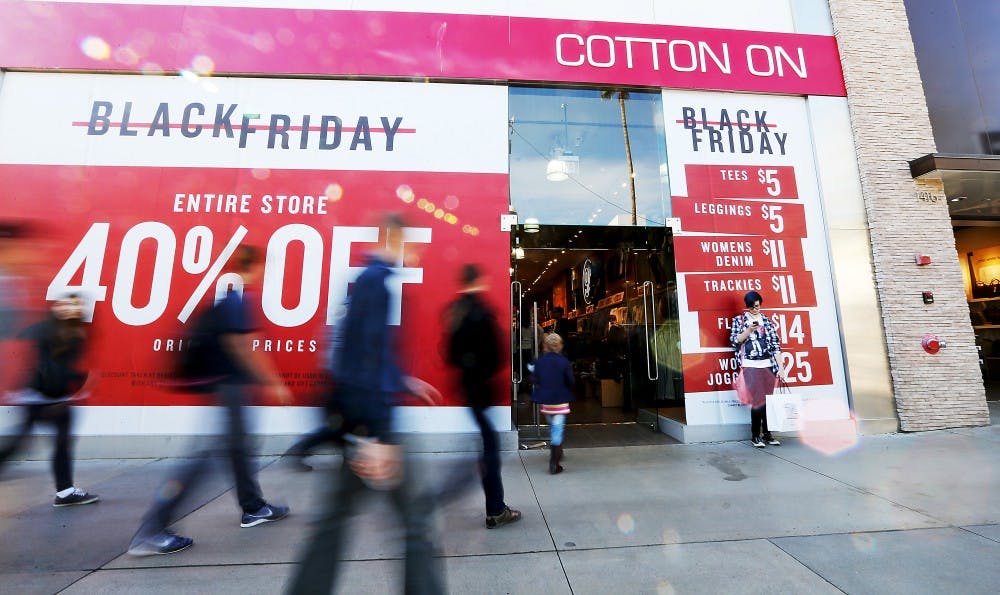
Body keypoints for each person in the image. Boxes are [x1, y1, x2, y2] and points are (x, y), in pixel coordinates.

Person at [287, 213, 442, 595]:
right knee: (415, 522)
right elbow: (365, 360)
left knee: (334, 521)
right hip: (373, 427)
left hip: (361, 424)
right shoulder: (378, 283)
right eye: (411, 243)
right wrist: (380, 437)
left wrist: (404, 382)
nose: (415, 252)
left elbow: (359, 353)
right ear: (393, 238)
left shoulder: (365, 281)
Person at [128, 245, 291, 556]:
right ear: (255, 266)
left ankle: (253, 507)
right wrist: (274, 383)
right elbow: (243, 347)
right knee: (204, 459)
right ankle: (152, 528)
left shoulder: (231, 300)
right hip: (231, 390)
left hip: (229, 389)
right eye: (263, 266)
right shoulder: (237, 301)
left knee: (238, 449)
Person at [0, 293, 99, 506]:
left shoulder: (78, 332)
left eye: (75, 306)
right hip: (41, 396)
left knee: (61, 445)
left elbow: (66, 366)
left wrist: (76, 385)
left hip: (57, 397)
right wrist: (75, 381)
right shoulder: (46, 330)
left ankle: (65, 492)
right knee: (20, 443)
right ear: (55, 308)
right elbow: (49, 367)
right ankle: (65, 492)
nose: (70, 309)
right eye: (65, 305)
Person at [445, 263, 521, 529]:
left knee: (488, 444)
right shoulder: (482, 312)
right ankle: (495, 509)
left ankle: (495, 507)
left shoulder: (455, 311)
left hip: (467, 388)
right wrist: (484, 373)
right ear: (480, 280)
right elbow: (498, 355)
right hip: (481, 388)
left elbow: (450, 354)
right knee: (490, 449)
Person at [730, 290, 782, 448]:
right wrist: (749, 330)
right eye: (752, 307)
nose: (755, 310)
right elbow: (735, 341)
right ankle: (755, 435)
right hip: (750, 365)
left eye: (757, 306)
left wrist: (781, 368)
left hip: (768, 365)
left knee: (768, 401)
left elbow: (775, 345)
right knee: (757, 401)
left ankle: (767, 434)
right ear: (747, 307)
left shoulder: (766, 320)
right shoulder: (739, 321)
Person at [531, 332, 574, 474]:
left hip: (547, 403)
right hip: (561, 402)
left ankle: (558, 453)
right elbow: (571, 381)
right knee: (557, 431)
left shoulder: (540, 362)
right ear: (559, 346)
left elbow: (535, 379)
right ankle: (554, 462)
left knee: (552, 428)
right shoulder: (564, 362)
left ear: (546, 346)